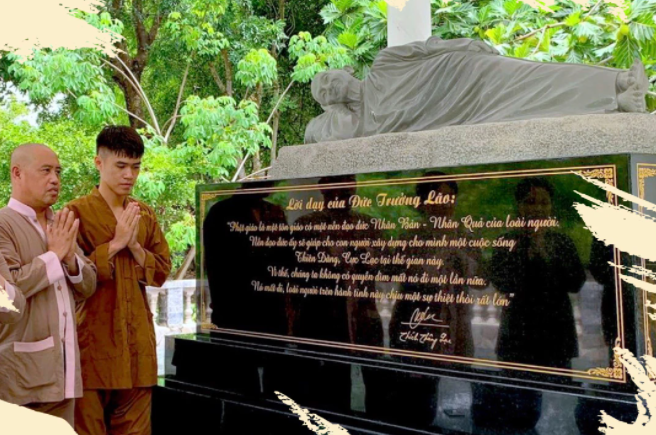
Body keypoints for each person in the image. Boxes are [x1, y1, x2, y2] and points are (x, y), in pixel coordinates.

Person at [305, 36, 648, 143]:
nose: (330, 87)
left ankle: (617, 81)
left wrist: (466, 43)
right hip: (459, 115)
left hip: (464, 74)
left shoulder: (383, 63)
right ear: (327, 104)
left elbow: (429, 46)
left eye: (329, 78)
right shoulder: (358, 126)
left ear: (347, 70)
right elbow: (316, 137)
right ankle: (616, 103)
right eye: (324, 92)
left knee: (528, 75)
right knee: (527, 109)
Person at [66, 126, 172, 435]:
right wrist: (114, 244)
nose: (129, 175)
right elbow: (70, 278)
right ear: (99, 163)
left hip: (137, 347)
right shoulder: (75, 214)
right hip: (92, 347)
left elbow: (162, 272)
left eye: (136, 167)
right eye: (121, 166)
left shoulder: (145, 214)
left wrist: (135, 245)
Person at [0, 143, 97, 427]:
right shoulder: (4, 224)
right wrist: (53, 255)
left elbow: (88, 284)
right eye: (45, 171)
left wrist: (69, 258)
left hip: (63, 370)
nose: (55, 179)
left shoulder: (59, 223)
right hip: (21, 374)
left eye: (57, 171)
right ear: (17, 174)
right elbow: (10, 290)